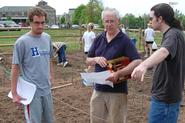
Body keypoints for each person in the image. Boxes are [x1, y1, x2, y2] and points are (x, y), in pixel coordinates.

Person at [131, 3, 185, 123]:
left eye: (151, 18)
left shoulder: (172, 34)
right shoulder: (175, 33)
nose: (150, 21)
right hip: (168, 97)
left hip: (165, 99)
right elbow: (167, 60)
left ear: (160, 19)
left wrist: (144, 65)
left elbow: (164, 51)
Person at [86, 7, 142, 123]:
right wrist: (95, 59)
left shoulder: (125, 40)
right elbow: (88, 60)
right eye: (106, 21)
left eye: (112, 21)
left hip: (117, 91)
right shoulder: (99, 38)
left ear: (118, 21)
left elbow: (137, 61)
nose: (109, 24)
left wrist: (118, 74)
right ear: (103, 22)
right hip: (98, 90)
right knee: (95, 120)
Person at [11, 7, 54, 123]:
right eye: (36, 23)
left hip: (47, 89)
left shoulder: (47, 38)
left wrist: (51, 75)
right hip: (31, 93)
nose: (40, 26)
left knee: (50, 120)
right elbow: (15, 67)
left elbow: (49, 58)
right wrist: (14, 93)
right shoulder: (22, 42)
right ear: (30, 22)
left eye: (42, 23)